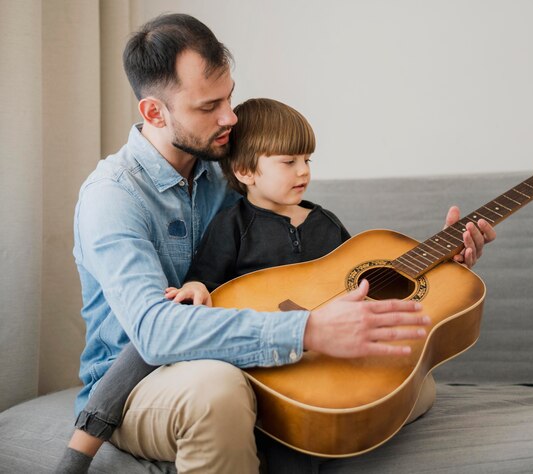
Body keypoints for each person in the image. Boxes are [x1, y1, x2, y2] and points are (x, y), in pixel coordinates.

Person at [60, 13, 496, 474]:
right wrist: (306, 331)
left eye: (229, 96)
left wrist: (442, 262)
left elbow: (325, 271)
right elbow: (153, 333)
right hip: (137, 385)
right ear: (154, 112)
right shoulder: (112, 197)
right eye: (209, 106)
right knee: (218, 390)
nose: (230, 117)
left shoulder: (228, 171)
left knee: (407, 380)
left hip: (242, 356)